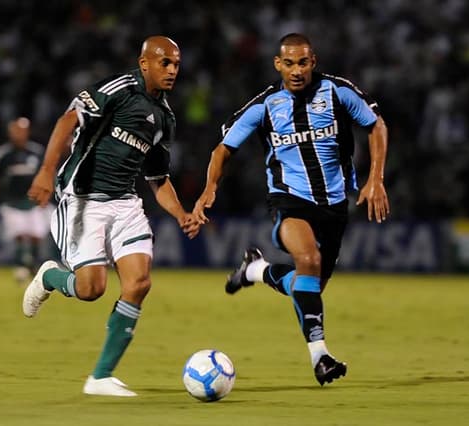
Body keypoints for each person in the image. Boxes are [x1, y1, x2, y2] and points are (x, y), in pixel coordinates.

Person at [193, 33, 389, 386]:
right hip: (288, 198)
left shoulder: (338, 92)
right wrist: (210, 187)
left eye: (303, 62)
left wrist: (376, 178)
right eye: (289, 63)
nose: (296, 70)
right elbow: (222, 149)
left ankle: (256, 270)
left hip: (334, 203)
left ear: (313, 62)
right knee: (308, 261)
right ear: (277, 64)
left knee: (307, 284)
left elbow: (376, 126)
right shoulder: (265, 105)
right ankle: (321, 357)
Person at [23, 36, 199, 397]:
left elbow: (158, 179)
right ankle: (51, 276)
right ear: (145, 62)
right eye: (165, 63)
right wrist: (45, 171)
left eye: (176, 64)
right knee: (92, 289)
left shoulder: (165, 118)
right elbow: (67, 120)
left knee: (139, 283)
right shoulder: (119, 89)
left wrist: (181, 213)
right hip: (82, 198)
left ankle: (100, 377)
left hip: (125, 204)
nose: (172, 70)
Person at [0, 117, 52, 282]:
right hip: (11, 202)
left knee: (36, 235)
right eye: (15, 130)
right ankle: (21, 266)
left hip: (33, 202)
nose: (18, 134)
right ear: (10, 132)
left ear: (27, 132)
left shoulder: (36, 151)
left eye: (21, 130)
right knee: (20, 235)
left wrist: (48, 192)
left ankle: (32, 266)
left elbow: (48, 172)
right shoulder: (2, 154)